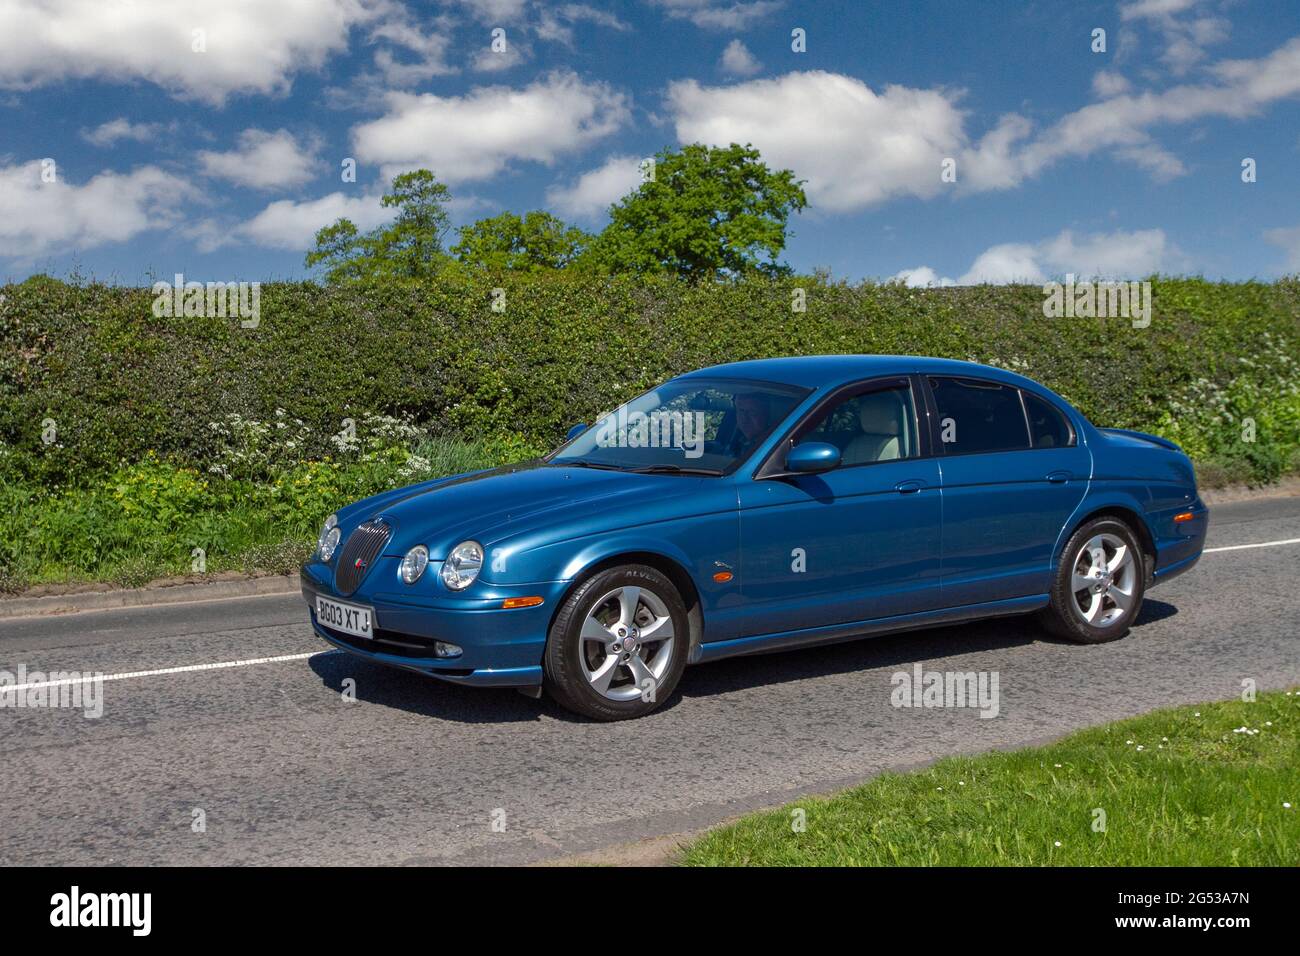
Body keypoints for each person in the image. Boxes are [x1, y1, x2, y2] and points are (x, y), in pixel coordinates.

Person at [728, 392, 771, 457]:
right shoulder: (737, 441)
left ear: (766, 415)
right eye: (741, 411)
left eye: (752, 412)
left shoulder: (773, 447)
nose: (744, 419)